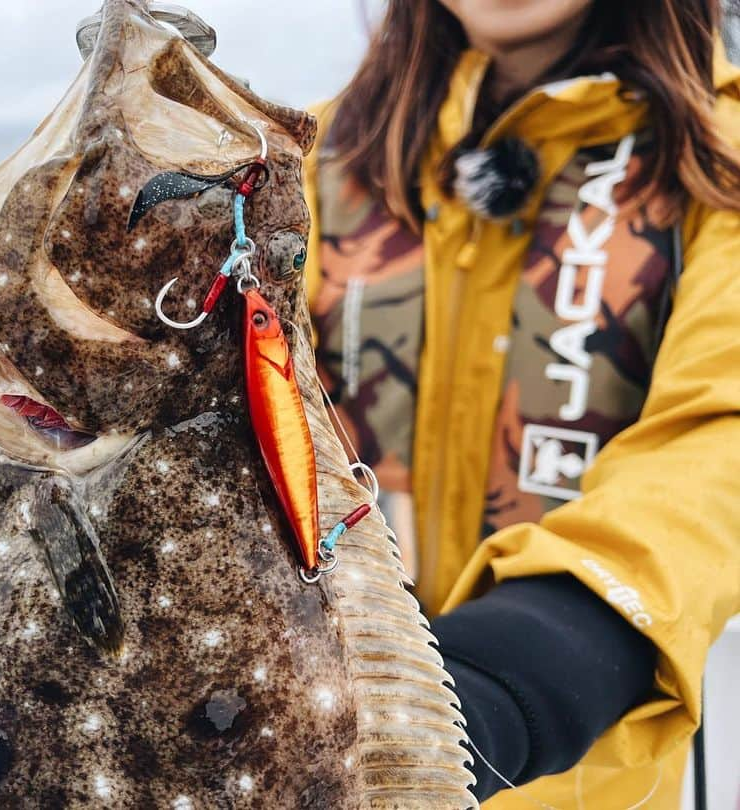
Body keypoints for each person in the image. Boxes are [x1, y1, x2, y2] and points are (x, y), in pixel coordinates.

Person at [302, 1, 740, 806]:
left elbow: (720, 437)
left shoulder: (721, 157)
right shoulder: (307, 159)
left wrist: (519, 668)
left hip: (564, 771)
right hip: (308, 752)